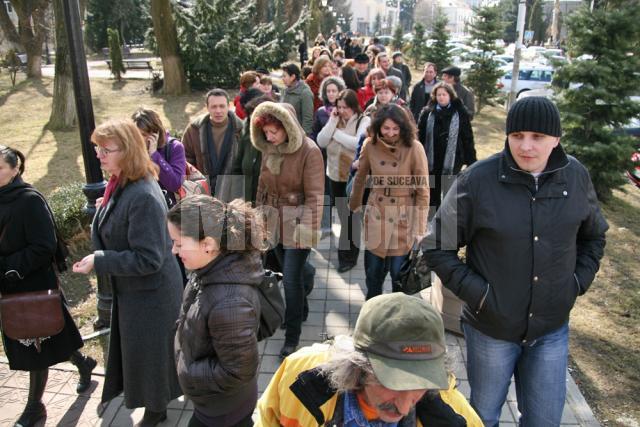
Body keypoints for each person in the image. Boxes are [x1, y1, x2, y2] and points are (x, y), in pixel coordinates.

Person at [422, 97, 609, 426]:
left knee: (544, 421)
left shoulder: (576, 177)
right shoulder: (477, 181)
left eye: (537, 137)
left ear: (556, 139)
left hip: (550, 330)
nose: (526, 146)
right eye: (517, 135)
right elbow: (437, 246)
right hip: (491, 331)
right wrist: (480, 295)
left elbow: (594, 236)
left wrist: (576, 283)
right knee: (484, 417)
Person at [73, 119, 183, 427]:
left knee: (152, 358)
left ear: (129, 151)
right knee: (145, 355)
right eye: (97, 148)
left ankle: (156, 409)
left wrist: (100, 259)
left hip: (152, 294)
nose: (98, 154)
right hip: (138, 292)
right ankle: (153, 403)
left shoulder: (143, 195)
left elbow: (149, 259)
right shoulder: (122, 181)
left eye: (106, 149)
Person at [255, 292, 482, 426]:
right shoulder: (299, 375)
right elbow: (266, 418)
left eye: (421, 385)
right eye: (393, 383)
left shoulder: (454, 415)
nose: (403, 407)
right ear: (358, 367)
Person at [0, 146, 97, 427]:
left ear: (15, 169)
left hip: (32, 284)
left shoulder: (29, 200)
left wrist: (8, 267)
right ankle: (83, 363)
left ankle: (34, 408)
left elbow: (45, 246)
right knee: (54, 337)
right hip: (8, 285)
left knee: (35, 345)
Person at [168, 196, 263, 427]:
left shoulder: (229, 303)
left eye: (179, 243)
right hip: (215, 402)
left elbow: (238, 371)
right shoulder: (209, 268)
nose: (173, 250)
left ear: (208, 244)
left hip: (223, 412)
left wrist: (188, 372)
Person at [250, 101, 324, 359]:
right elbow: (262, 185)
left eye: (274, 132)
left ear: (288, 127)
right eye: (266, 133)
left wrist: (307, 230)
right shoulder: (268, 147)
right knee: (290, 270)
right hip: (273, 220)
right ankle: (305, 289)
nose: (269, 137)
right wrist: (257, 217)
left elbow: (315, 196)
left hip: (298, 221)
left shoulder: (309, 151)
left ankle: (292, 335)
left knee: (290, 280)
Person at [349, 104, 429, 300]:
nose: (391, 133)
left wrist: (420, 229)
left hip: (404, 217)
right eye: (386, 128)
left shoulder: (414, 147)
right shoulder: (370, 144)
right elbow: (360, 177)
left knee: (398, 276)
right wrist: (354, 204)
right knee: (373, 274)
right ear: (378, 127)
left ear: (403, 127)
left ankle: (397, 319)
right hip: (378, 211)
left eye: (395, 128)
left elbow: (423, 190)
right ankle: (372, 313)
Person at [317, 89, 370, 273]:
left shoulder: (364, 120)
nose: (341, 111)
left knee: (352, 217)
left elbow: (357, 143)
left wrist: (336, 134)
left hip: (353, 178)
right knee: (343, 216)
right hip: (334, 175)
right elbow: (321, 141)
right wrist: (332, 122)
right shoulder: (335, 119)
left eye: (345, 107)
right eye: (338, 107)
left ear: (353, 106)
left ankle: (348, 257)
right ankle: (348, 250)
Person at [417, 82, 476, 213]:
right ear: (434, 96)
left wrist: (471, 160)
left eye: (444, 94)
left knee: (449, 193)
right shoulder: (427, 113)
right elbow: (419, 136)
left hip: (453, 160)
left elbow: (467, 137)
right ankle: (432, 219)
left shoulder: (460, 113)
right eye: (438, 95)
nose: (441, 97)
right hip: (431, 160)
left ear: (450, 96)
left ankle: (447, 220)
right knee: (432, 193)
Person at [181, 88, 243, 201]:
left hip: (233, 194)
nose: (218, 111)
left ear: (228, 106)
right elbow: (185, 160)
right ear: (207, 107)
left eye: (222, 106)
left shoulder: (241, 130)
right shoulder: (194, 129)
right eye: (214, 106)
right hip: (201, 192)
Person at [311, 76, 347, 238]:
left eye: (334, 90)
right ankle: (326, 226)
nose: (331, 94)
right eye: (328, 91)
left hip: (342, 158)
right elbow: (314, 134)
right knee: (324, 192)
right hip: (323, 157)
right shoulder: (320, 112)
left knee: (341, 194)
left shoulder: (346, 110)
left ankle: (348, 228)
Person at [131, 108, 186, 208]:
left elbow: (175, 184)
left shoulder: (174, 147)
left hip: (167, 209)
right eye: (136, 134)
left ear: (155, 134)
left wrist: (154, 155)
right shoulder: (131, 149)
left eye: (143, 134)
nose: (138, 138)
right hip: (138, 207)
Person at [232, 89, 275, 204]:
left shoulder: (276, 142)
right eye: (251, 119)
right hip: (247, 204)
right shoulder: (246, 136)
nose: (255, 125)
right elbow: (237, 169)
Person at [280, 62, 315, 135]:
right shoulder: (284, 90)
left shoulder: (305, 93)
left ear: (293, 77)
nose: (282, 79)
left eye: (284, 76)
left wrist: (304, 137)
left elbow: (307, 119)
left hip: (298, 135)